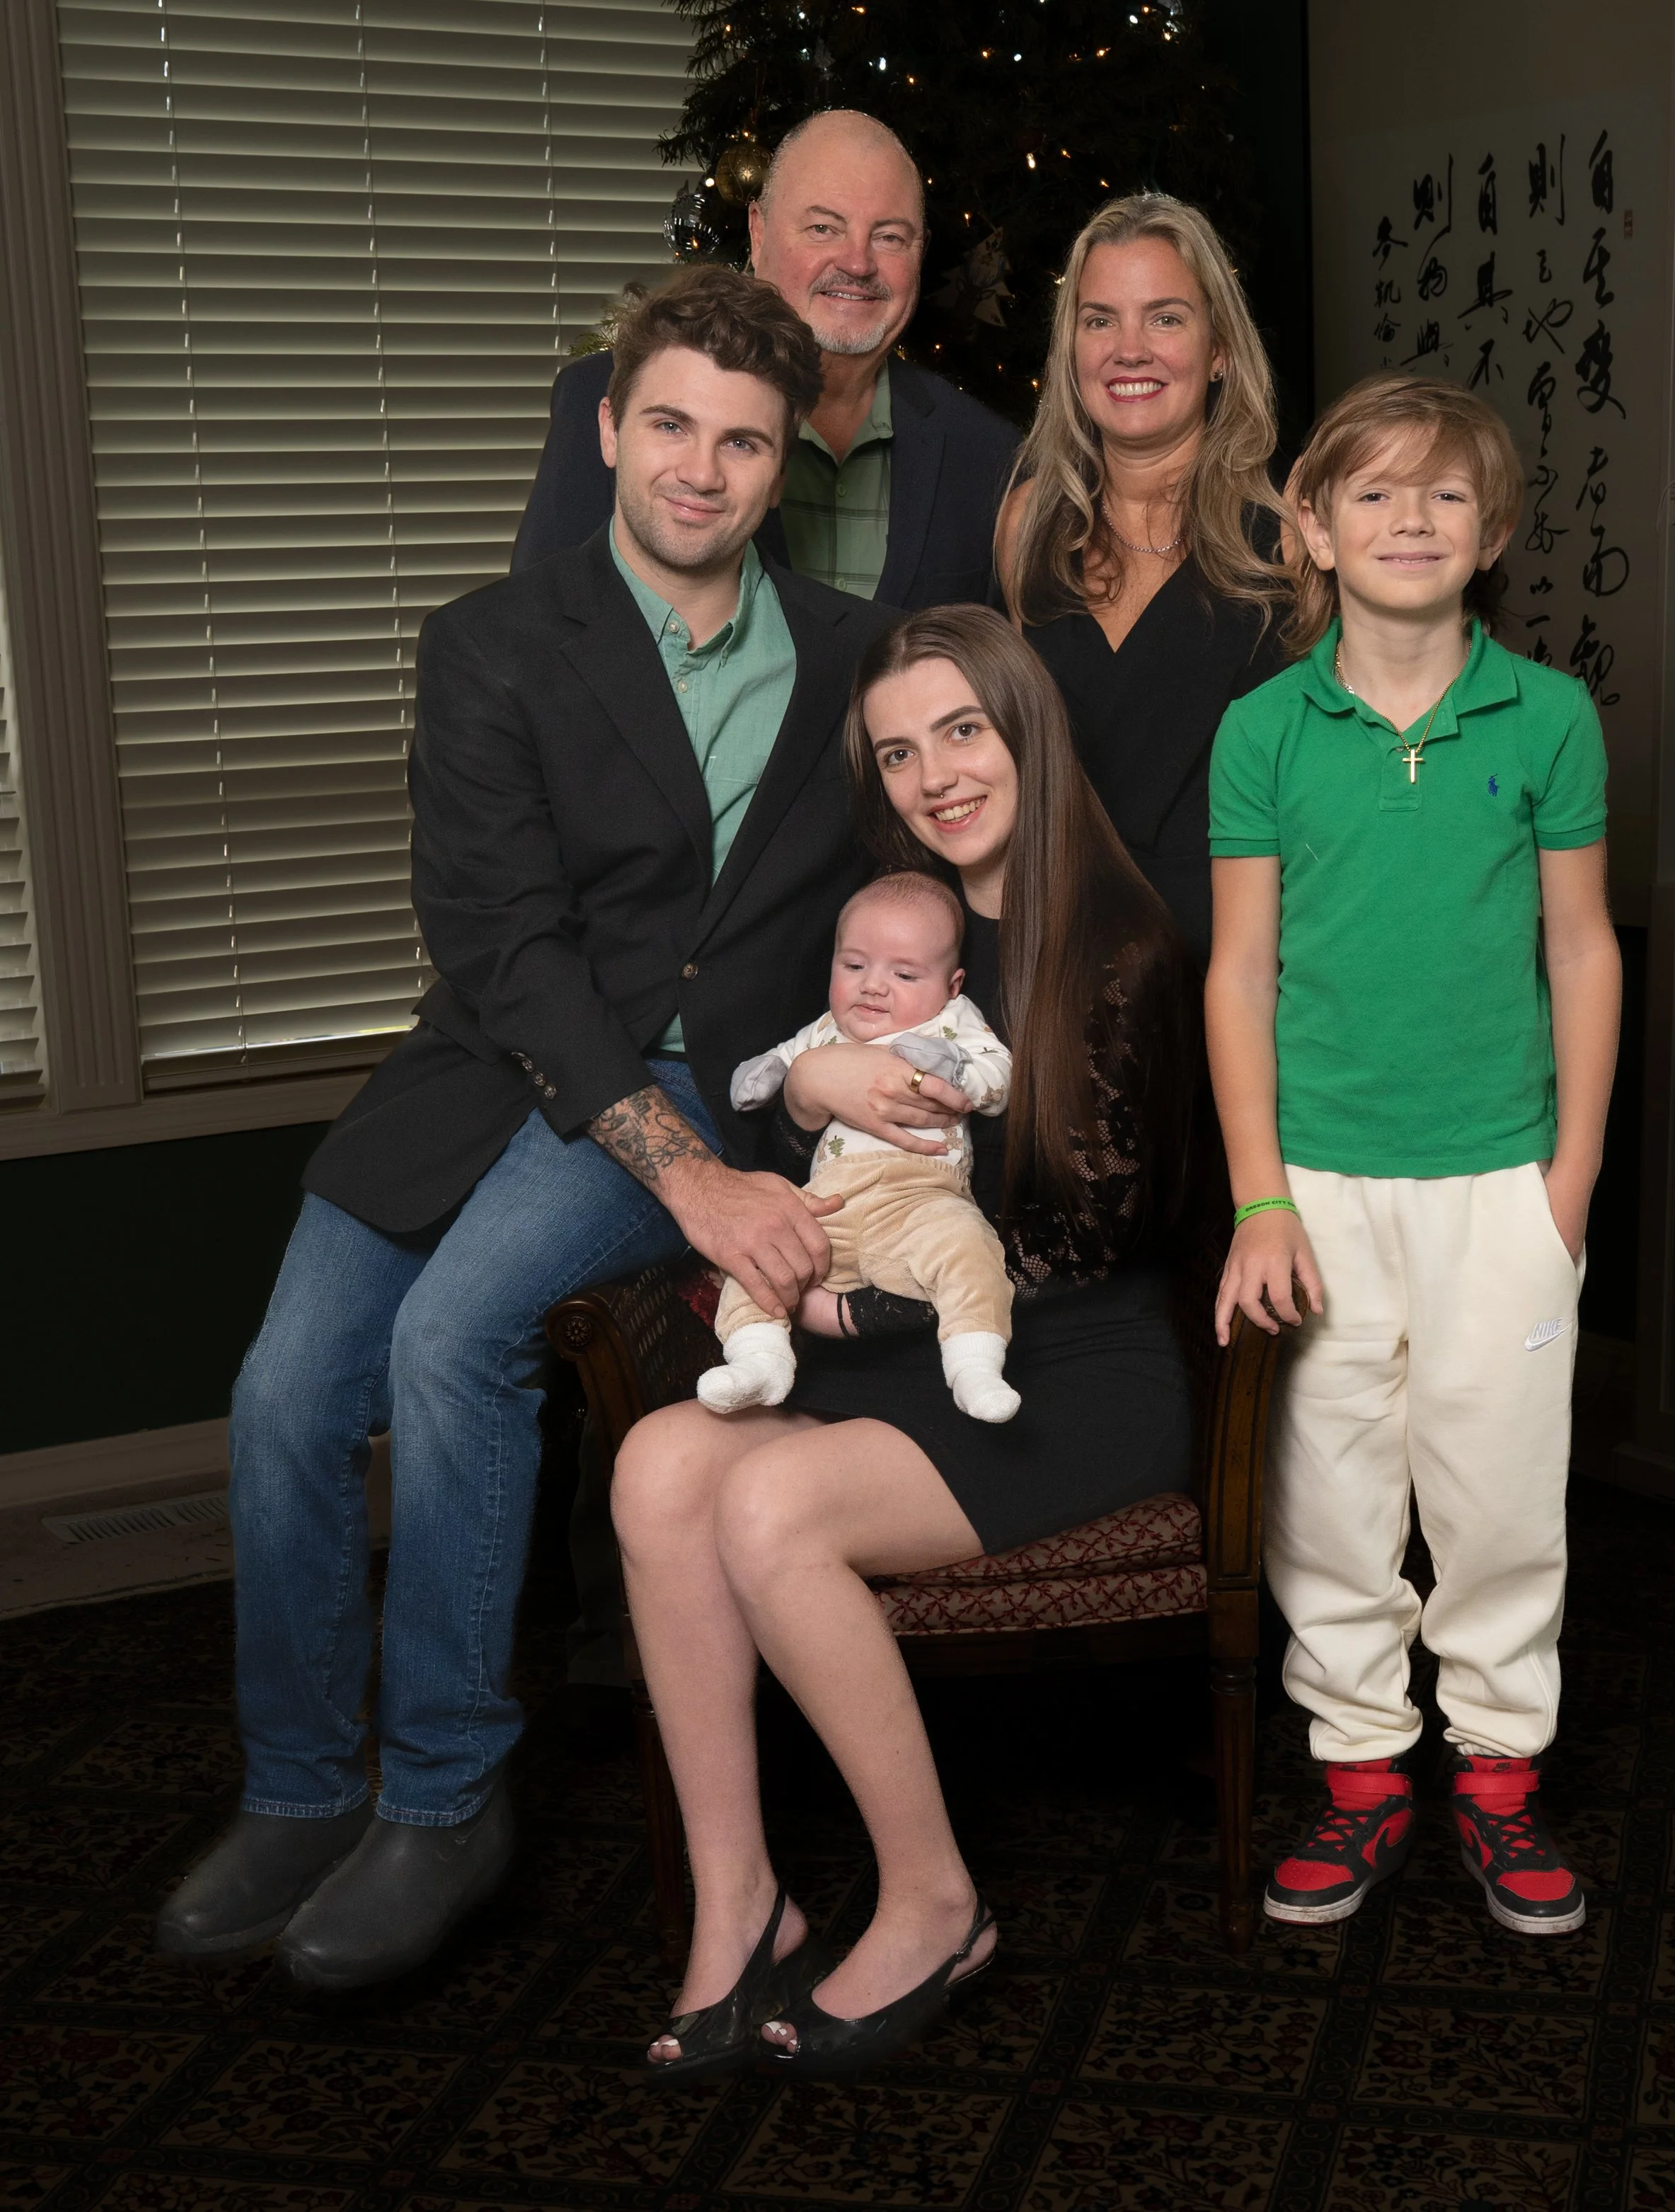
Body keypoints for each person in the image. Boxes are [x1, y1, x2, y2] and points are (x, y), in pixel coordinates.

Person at [154, 266, 911, 1991]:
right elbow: (504, 945)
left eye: (741, 442)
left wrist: (819, 1100)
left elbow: (931, 848)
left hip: (709, 1086)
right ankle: (297, 1786)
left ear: (782, 464)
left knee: (449, 1343)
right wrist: (688, 1180)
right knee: (282, 1394)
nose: (700, 470)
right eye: (671, 427)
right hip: (494, 1067)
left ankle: (443, 1796)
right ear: (611, 429)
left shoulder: (853, 656)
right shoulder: (490, 641)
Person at [610, 603, 1194, 2085]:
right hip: (892, 1350)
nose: (935, 774)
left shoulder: (1116, 941)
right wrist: (815, 1092)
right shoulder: (887, 925)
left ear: (1022, 729)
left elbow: (1081, 1245)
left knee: (768, 1502)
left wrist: (842, 1309)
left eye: (961, 730)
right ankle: (744, 1899)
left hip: (1067, 1361)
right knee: (657, 1466)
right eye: (897, 751)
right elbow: (773, 1123)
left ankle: (936, 1898)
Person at [1207, 374, 1623, 1937]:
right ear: (1312, 528)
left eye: (1445, 493)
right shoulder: (1262, 730)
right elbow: (1238, 973)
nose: (1409, 519)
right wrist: (1260, 1194)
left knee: (1500, 1497)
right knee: (1326, 1499)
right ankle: (1362, 1772)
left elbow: (1580, 949)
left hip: (1500, 1179)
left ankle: (1499, 1779)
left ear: (1491, 532)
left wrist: (1568, 1181)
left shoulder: (1551, 715)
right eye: (1372, 492)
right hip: (1315, 1185)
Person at [513, 109, 1019, 609]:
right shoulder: (615, 401)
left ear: (920, 251)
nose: (858, 263)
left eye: (889, 237)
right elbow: (537, 631)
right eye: (823, 228)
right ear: (758, 231)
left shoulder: (988, 454)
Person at [996, 194, 1290, 969]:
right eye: (1100, 320)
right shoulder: (1025, 522)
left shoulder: (1290, 537)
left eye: (1164, 318)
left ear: (1219, 349)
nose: (1129, 350)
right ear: (1071, 350)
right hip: (1064, 956)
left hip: (1242, 965)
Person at [700, 870, 1018, 1423]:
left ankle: (975, 1363)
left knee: (969, 1248)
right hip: (832, 1200)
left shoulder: (953, 1023)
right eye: (854, 966)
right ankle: (758, 1357)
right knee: (764, 1249)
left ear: (952, 986)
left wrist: (958, 1070)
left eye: (904, 973)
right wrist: (771, 1071)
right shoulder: (827, 1029)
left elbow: (999, 1075)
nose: (874, 986)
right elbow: (788, 1056)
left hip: (922, 1199)